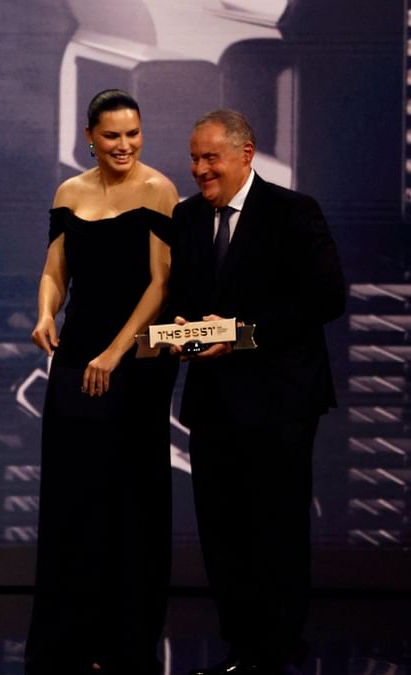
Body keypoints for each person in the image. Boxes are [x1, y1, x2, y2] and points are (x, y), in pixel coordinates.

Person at [169, 110, 345, 675]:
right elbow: (187, 300)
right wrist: (181, 334)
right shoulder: (187, 218)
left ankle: (279, 648)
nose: (200, 169)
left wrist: (243, 336)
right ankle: (241, 649)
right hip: (213, 401)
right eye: (195, 158)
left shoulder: (293, 212)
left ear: (247, 154)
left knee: (277, 528)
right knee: (223, 532)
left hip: (280, 402)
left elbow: (324, 298)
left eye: (210, 157)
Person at [25, 89, 180, 674]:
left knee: (128, 500)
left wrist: (116, 353)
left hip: (137, 361)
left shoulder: (159, 189)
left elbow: (161, 285)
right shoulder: (70, 192)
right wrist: (46, 312)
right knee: (72, 498)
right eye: (113, 135)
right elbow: (54, 269)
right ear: (90, 136)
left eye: (133, 133)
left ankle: (125, 642)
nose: (125, 145)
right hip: (75, 358)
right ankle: (69, 639)